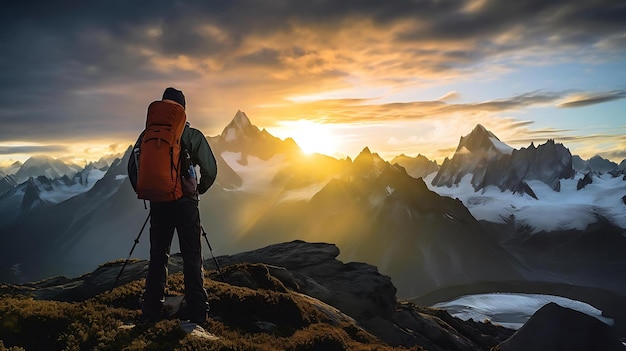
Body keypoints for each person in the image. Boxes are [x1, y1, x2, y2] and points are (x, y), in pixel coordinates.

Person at [128, 87, 218, 324]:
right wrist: (199, 190)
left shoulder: (146, 135)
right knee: (192, 256)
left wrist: (149, 189)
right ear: (183, 111)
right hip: (186, 205)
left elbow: (132, 168)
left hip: (159, 203)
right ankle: (198, 312)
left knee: (158, 256)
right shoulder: (192, 136)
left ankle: (150, 312)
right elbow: (211, 170)